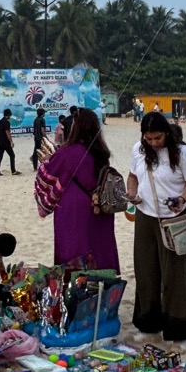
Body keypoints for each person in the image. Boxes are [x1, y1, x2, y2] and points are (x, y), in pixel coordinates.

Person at [125, 113, 186, 352]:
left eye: (157, 137)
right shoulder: (138, 148)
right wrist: (132, 194)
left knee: (175, 275)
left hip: (174, 217)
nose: (153, 142)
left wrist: (181, 199)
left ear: (166, 133)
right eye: (148, 138)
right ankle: (148, 326)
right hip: (145, 215)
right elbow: (133, 176)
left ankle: (179, 331)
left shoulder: (182, 153)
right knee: (146, 271)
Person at [41, 107, 120, 272]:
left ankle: (75, 282)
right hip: (100, 204)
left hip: (74, 206)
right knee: (100, 244)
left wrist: (46, 161)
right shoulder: (101, 152)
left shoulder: (67, 152)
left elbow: (49, 174)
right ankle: (104, 280)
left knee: (73, 245)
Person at [0, 109, 21, 176]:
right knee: (12, 155)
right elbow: (7, 132)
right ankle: (13, 171)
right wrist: (11, 141)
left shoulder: (0, 121)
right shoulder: (7, 122)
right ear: (9, 114)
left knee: (0, 157)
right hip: (5, 142)